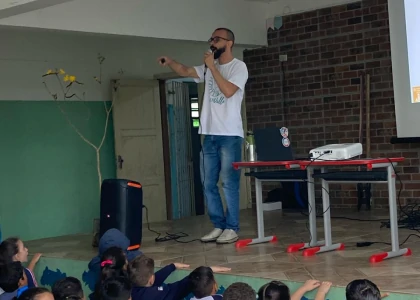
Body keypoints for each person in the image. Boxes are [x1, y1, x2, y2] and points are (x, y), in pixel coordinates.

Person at [157, 28, 249, 244]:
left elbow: (228, 91)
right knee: (208, 183)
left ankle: (232, 228)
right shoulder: (209, 69)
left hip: (229, 135)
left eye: (217, 39)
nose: (212, 43)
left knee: (228, 183)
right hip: (209, 134)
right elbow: (186, 70)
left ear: (230, 43)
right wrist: (171, 61)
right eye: (211, 39)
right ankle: (218, 225)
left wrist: (212, 68)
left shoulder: (239, 67)